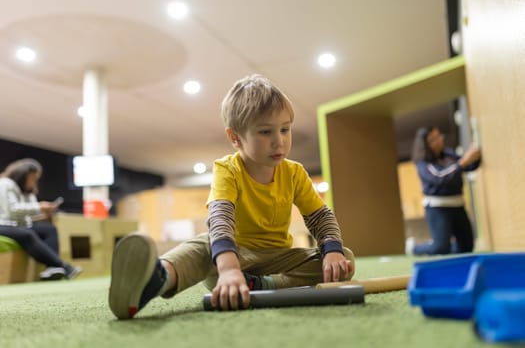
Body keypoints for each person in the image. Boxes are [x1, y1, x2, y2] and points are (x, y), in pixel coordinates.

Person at [109, 74, 355, 319]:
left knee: (345, 259)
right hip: (232, 255)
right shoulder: (227, 169)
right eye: (265, 132)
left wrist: (332, 250)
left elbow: (320, 216)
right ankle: (155, 279)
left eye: (285, 129)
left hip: (277, 258)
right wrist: (228, 269)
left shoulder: (294, 173)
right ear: (235, 137)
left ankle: (262, 286)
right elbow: (220, 219)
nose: (278, 141)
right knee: (203, 245)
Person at [0, 158, 82, 280]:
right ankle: (63, 266)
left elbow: (30, 212)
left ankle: (52, 269)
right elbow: (12, 211)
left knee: (49, 229)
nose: (34, 182)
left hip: (19, 224)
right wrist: (39, 207)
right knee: (27, 234)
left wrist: (45, 212)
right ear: (23, 175)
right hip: (3, 224)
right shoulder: (5, 184)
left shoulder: (28, 191)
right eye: (32, 178)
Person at [406, 126, 481, 255]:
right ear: (425, 145)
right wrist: (463, 162)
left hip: (457, 205)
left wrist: (475, 155)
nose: (439, 141)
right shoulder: (423, 163)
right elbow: (440, 178)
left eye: (438, 136)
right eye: (433, 139)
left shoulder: (449, 154)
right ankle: (414, 248)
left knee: (467, 247)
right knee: (440, 248)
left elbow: (467, 166)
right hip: (438, 208)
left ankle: (446, 246)